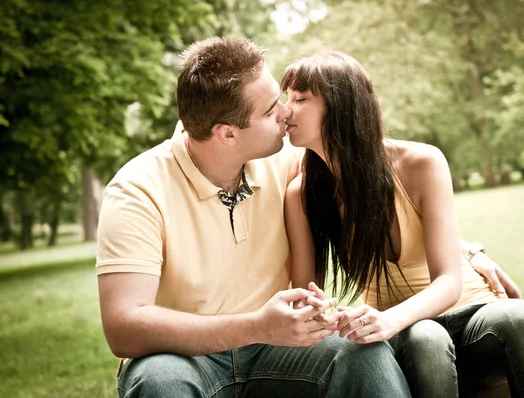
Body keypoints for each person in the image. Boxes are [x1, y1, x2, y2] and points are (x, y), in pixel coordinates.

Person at [96, 38, 411, 397]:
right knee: (159, 380)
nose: (284, 113)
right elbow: (123, 326)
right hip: (182, 357)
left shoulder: (289, 160)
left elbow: (372, 177)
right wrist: (257, 327)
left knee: (361, 353)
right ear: (227, 133)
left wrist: (463, 251)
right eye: (268, 110)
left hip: (279, 352)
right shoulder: (137, 189)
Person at [282, 50, 524, 397]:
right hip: (410, 335)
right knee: (426, 336)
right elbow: (304, 295)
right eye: (286, 98)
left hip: (474, 315)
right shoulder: (302, 194)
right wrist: (323, 316)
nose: (286, 109)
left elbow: (449, 281)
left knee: (521, 317)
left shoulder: (420, 163)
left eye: (299, 99)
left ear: (341, 106)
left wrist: (392, 317)